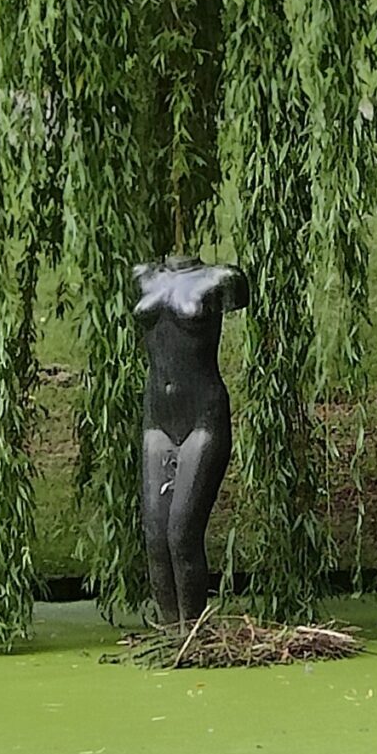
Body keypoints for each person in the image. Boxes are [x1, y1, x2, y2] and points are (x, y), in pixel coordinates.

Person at [132, 255, 250, 624]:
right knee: (155, 536)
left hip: (203, 416)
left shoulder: (221, 278)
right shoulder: (143, 275)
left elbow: (240, 298)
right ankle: (170, 633)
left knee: (182, 532)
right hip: (158, 419)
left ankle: (193, 630)